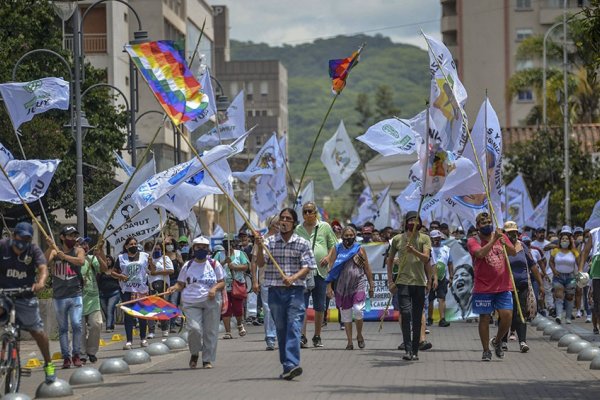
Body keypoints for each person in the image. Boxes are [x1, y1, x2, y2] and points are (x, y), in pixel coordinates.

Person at [255, 207, 316, 381]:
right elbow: (260, 263)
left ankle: (292, 363)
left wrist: (293, 277)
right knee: (281, 329)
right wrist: (259, 248)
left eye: (288, 218)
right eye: (282, 218)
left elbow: (308, 266)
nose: (284, 221)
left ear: (294, 223)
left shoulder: (302, 242)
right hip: (274, 290)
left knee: (294, 326)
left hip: (295, 291)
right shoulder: (270, 242)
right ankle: (287, 365)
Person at [0, 222, 56, 383]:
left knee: (37, 332)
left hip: (26, 295)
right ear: (13, 235)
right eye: (20, 237)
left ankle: (48, 364)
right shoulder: (3, 246)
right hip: (4, 293)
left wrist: (41, 282)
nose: (22, 242)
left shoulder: (33, 250)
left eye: (27, 238)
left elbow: (43, 268)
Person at [168, 236, 225, 369]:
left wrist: (214, 289)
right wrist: (173, 288)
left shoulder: (214, 264)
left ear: (208, 249)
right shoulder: (187, 265)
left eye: (204, 247)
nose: (201, 249)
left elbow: (222, 282)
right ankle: (194, 353)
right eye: (198, 247)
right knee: (194, 329)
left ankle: (207, 359)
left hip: (211, 301)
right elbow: (180, 283)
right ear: (193, 248)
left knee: (210, 331)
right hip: (191, 301)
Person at [467, 212, 517, 361]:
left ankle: (497, 341)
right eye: (484, 223)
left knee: (507, 315)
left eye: (489, 222)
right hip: (483, 287)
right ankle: (486, 350)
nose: (488, 225)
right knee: (485, 318)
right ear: (477, 226)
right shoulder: (473, 240)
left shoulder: (500, 236)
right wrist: (493, 240)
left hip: (503, 285)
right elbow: (480, 254)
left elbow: (513, 252)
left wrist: (503, 241)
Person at [386, 211, 434, 361]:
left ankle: (415, 349)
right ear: (406, 222)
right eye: (411, 220)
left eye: (416, 220)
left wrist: (414, 251)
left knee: (417, 316)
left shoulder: (425, 238)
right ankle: (407, 349)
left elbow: (426, 259)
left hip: (419, 283)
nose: (413, 223)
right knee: (405, 314)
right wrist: (390, 281)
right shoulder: (398, 239)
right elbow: (389, 260)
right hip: (403, 282)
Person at [324, 226, 374, 350]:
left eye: (351, 236)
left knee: (358, 310)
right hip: (342, 285)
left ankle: (360, 335)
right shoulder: (337, 249)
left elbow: (367, 268)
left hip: (358, 283)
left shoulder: (359, 249)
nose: (349, 238)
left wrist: (371, 284)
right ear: (342, 236)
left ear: (355, 236)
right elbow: (331, 268)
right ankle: (349, 341)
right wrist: (329, 286)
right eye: (346, 236)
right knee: (345, 314)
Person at [295, 201, 337, 348]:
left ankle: (317, 336)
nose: (307, 214)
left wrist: (328, 257)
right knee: (302, 306)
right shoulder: (298, 229)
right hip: (304, 273)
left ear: (315, 213)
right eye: (305, 211)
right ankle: (302, 336)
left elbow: (333, 245)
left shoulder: (324, 227)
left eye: (310, 211)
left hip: (321, 272)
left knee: (320, 306)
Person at [45, 226, 86, 369]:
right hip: (59, 296)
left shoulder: (78, 250)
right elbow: (43, 263)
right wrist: (50, 248)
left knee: (76, 324)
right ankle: (66, 357)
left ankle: (76, 354)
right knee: (62, 328)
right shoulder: (55, 251)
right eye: (69, 236)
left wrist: (65, 257)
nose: (73, 239)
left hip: (75, 294)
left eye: (74, 235)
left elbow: (81, 261)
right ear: (62, 237)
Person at [500, 222, 544, 353]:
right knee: (506, 315)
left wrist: (540, 284)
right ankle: (502, 341)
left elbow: (533, 266)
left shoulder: (523, 246)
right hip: (506, 287)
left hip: (522, 285)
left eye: (514, 232)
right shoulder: (500, 247)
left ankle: (522, 341)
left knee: (521, 313)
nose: (512, 235)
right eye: (509, 233)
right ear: (504, 234)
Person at [112, 236, 150, 349]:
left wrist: (152, 263)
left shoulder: (145, 256)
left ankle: (143, 338)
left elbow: (152, 270)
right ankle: (129, 341)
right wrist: (120, 276)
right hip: (127, 290)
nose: (133, 246)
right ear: (126, 246)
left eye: (135, 244)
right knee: (128, 315)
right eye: (131, 244)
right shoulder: (121, 258)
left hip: (141, 290)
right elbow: (113, 272)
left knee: (142, 315)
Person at [251, 215, 279, 350]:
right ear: (272, 226)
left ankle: (282, 335)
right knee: (268, 309)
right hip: (266, 280)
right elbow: (254, 262)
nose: (281, 226)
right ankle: (270, 337)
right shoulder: (261, 240)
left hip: (282, 281)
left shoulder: (284, 240)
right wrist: (254, 281)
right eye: (278, 224)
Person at [78, 237, 108, 364]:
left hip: (93, 299)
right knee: (80, 329)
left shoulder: (92, 259)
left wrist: (99, 254)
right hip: (77, 299)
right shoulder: (73, 260)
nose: (85, 246)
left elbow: (104, 269)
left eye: (86, 244)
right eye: (82, 244)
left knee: (96, 325)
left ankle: (91, 351)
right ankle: (81, 354)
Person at [215, 235, 250, 339]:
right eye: (225, 242)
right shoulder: (218, 254)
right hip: (224, 286)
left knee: (238, 308)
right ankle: (228, 331)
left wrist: (234, 267)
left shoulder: (240, 254)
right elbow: (212, 267)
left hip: (237, 284)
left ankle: (239, 324)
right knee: (226, 309)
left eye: (229, 242)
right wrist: (223, 262)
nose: (227, 245)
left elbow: (246, 266)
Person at [549, 227, 579, 324]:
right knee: (559, 296)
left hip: (571, 277)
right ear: (560, 240)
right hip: (558, 277)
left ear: (570, 241)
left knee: (570, 297)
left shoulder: (574, 251)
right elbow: (551, 262)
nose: (564, 240)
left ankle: (568, 317)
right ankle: (559, 315)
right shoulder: (556, 250)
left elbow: (579, 262)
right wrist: (554, 271)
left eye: (566, 239)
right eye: (563, 239)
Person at [147, 241, 174, 339]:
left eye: (159, 249)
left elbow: (171, 270)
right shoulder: (150, 259)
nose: (157, 251)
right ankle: (151, 330)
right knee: (151, 308)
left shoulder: (165, 258)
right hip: (151, 285)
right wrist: (150, 262)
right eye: (155, 249)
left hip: (163, 285)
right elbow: (151, 271)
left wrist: (158, 272)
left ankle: (165, 328)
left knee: (162, 307)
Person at [427, 230, 453, 327]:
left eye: (438, 238)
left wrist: (451, 277)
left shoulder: (446, 249)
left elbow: (450, 264)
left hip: (442, 277)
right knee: (430, 299)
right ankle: (429, 318)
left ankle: (442, 319)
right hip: (430, 277)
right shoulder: (428, 249)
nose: (437, 240)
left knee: (442, 298)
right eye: (435, 239)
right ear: (431, 239)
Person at [578, 226, 600, 334]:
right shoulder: (595, 232)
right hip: (597, 271)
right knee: (598, 304)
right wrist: (581, 270)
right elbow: (585, 252)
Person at [164, 236, 184, 332]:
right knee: (165, 304)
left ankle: (172, 325)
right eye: (167, 244)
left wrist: (181, 262)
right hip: (165, 282)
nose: (169, 246)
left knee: (173, 303)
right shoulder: (162, 255)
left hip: (175, 281)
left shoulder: (177, 254)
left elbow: (183, 267)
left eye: (171, 244)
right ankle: (165, 324)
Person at [98, 255, 120, 332]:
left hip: (114, 293)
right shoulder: (100, 271)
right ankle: (111, 323)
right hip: (102, 294)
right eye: (106, 260)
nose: (108, 261)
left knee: (109, 308)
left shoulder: (115, 270)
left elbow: (119, 278)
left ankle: (108, 327)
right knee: (106, 311)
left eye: (109, 260)